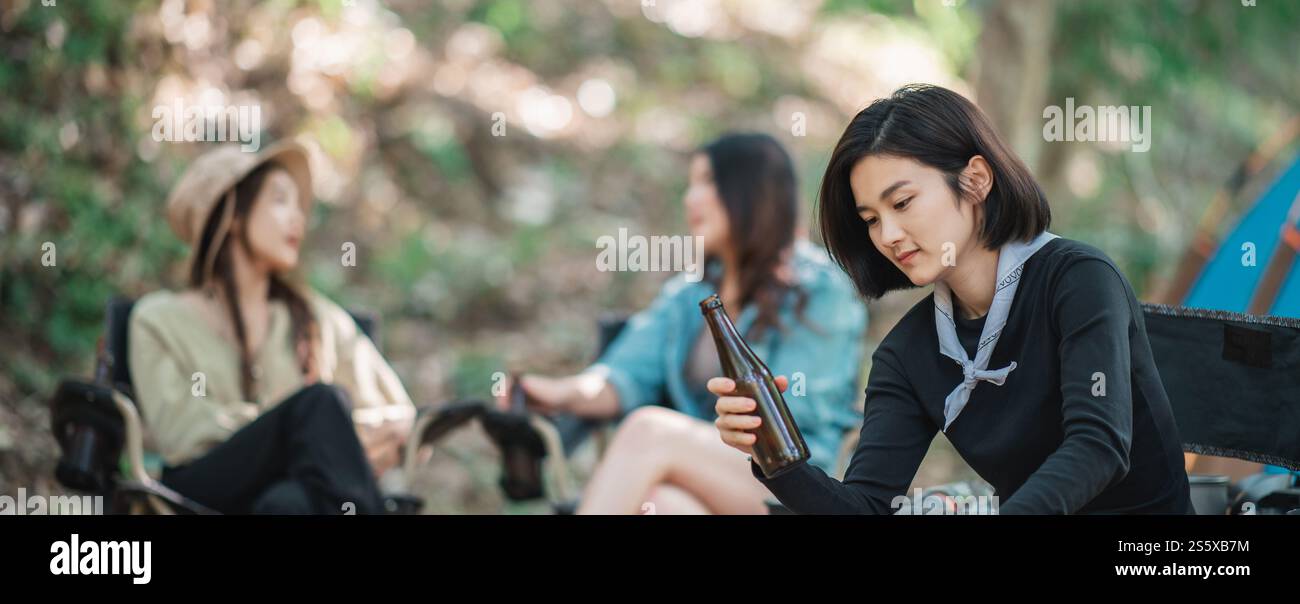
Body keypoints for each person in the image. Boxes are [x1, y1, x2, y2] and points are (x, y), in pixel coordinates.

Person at [711, 85, 1194, 514]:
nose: (889, 235)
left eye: (901, 203)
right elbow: (868, 506)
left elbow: (1099, 445)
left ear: (976, 180)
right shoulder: (909, 353)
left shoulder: (1078, 280)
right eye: (871, 219)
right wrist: (775, 458)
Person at [504, 133, 868, 514]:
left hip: (793, 482)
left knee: (649, 431)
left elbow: (793, 423)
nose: (689, 198)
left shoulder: (820, 290)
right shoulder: (688, 293)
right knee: (663, 505)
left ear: (751, 191)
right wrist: (556, 392)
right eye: (691, 185)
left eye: (707, 182)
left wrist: (695, 441)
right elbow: (622, 375)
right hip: (704, 483)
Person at [129, 141, 414, 514]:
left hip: (285, 497)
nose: (298, 218)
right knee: (321, 403)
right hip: (198, 491)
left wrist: (329, 436)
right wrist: (298, 431)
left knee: (287, 503)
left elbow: (397, 417)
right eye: (280, 200)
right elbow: (184, 435)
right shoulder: (158, 319)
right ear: (231, 214)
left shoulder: (314, 316)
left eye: (299, 206)